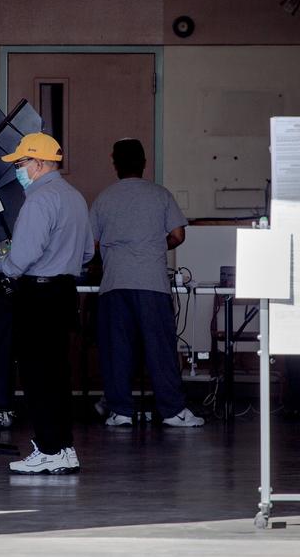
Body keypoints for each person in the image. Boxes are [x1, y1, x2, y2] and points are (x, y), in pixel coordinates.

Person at [0, 132, 93, 475]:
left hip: (38, 295)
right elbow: (89, 251)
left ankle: (48, 449)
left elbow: (23, 256)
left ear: (40, 163)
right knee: (57, 375)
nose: (18, 169)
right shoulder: (74, 197)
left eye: (21, 163)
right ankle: (63, 448)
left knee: (37, 377)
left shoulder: (39, 199)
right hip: (63, 294)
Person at [90, 138, 205, 428]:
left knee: (117, 350)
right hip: (152, 282)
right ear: (143, 163)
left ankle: (121, 412)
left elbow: (91, 245)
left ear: (115, 164)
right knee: (160, 348)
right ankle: (173, 411)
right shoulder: (160, 195)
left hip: (115, 283)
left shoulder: (104, 198)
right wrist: (153, 245)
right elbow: (178, 235)